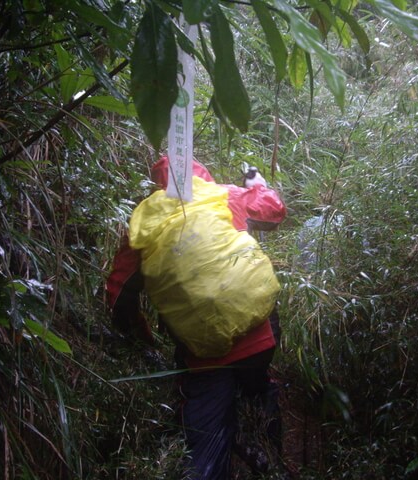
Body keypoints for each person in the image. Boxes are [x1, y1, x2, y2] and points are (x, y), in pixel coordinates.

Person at [106, 156, 287, 479]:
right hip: (261, 334)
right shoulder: (223, 194)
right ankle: (271, 453)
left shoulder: (143, 226)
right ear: (203, 174)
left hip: (204, 354)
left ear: (157, 188)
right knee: (258, 388)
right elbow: (274, 211)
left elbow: (119, 295)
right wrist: (257, 184)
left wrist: (139, 335)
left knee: (204, 446)